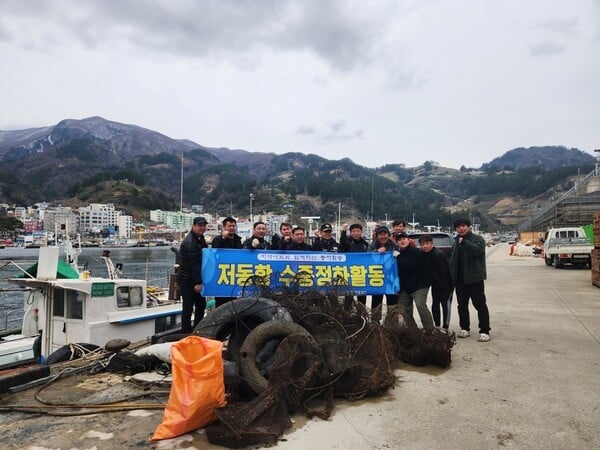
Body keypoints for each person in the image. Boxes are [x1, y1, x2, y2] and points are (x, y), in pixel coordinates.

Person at [449, 218, 490, 342]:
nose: (460, 228)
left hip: (474, 278)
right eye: (458, 227)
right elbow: (452, 259)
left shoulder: (478, 239)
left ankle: (484, 330)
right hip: (460, 280)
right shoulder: (456, 242)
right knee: (462, 305)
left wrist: (464, 243)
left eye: (463, 226)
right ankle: (465, 328)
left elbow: (477, 250)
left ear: (468, 226)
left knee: (480, 305)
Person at [396, 232, 435, 328]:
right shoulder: (397, 254)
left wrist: (397, 258)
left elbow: (408, 265)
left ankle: (430, 330)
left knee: (420, 305)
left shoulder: (416, 252)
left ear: (408, 240)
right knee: (402, 308)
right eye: (400, 240)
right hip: (405, 287)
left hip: (419, 285)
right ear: (397, 242)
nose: (402, 241)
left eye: (404, 239)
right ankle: (411, 328)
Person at [178, 216, 208, 333]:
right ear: (194, 226)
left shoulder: (200, 239)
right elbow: (194, 265)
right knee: (188, 308)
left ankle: (197, 329)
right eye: (200, 225)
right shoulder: (189, 242)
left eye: (204, 225)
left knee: (201, 306)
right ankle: (185, 332)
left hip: (195, 278)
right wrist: (197, 283)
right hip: (188, 280)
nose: (202, 228)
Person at [419, 234, 453, 329]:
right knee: (435, 304)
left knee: (445, 304)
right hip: (435, 284)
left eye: (427, 243)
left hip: (446, 284)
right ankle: (437, 326)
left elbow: (445, 272)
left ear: (432, 244)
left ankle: (445, 326)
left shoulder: (439, 254)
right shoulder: (423, 254)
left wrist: (449, 286)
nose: (425, 246)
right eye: (422, 244)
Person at [367, 225, 399, 321]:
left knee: (392, 303)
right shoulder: (372, 245)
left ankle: (392, 323)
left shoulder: (394, 245)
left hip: (391, 279)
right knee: (376, 302)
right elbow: (367, 257)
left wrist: (396, 255)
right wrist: (377, 252)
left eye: (385, 234)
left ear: (388, 235)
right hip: (377, 278)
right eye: (380, 234)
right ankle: (375, 323)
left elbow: (400, 257)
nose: (383, 236)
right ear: (377, 236)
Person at [210, 216, 243, 307]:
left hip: (234, 274)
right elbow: (214, 252)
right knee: (221, 301)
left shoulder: (238, 240)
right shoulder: (217, 239)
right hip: (222, 273)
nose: (232, 228)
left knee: (234, 303)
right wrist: (223, 239)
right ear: (224, 227)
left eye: (233, 226)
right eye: (229, 226)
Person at [339, 223, 369, 305]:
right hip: (349, 272)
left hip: (361, 273)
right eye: (354, 231)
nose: (356, 233)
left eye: (358, 231)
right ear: (351, 232)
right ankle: (347, 314)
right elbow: (341, 246)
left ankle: (361, 314)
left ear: (361, 232)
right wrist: (343, 231)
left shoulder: (365, 244)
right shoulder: (347, 242)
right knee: (348, 296)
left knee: (362, 297)